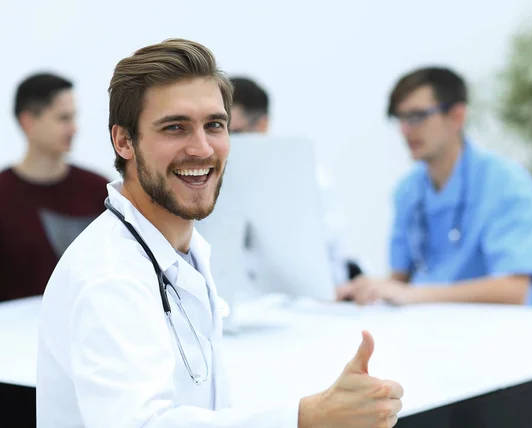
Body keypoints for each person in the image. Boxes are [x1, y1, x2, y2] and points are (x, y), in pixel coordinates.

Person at [36, 38, 403, 427]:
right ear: (124, 141)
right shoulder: (109, 275)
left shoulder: (184, 250)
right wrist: (305, 419)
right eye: (175, 127)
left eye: (215, 125)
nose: (202, 148)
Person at [337, 66, 532, 306]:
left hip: (500, 332)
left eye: (417, 116)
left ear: (457, 116)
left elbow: (514, 291)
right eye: (400, 118)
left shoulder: (507, 183)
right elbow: (399, 280)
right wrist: (364, 290)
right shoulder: (408, 191)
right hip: (428, 327)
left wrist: (416, 294)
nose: (405, 130)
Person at [228, 75, 362, 286]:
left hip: (306, 300)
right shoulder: (206, 180)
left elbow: (328, 260)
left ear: (262, 125)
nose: (224, 144)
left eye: (234, 133)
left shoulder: (310, 179)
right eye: (215, 129)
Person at [0, 73, 108, 302]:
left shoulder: (99, 191)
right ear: (29, 122)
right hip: (15, 334)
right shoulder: (3, 196)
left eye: (74, 117)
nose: (74, 129)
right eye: (63, 118)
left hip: (88, 329)